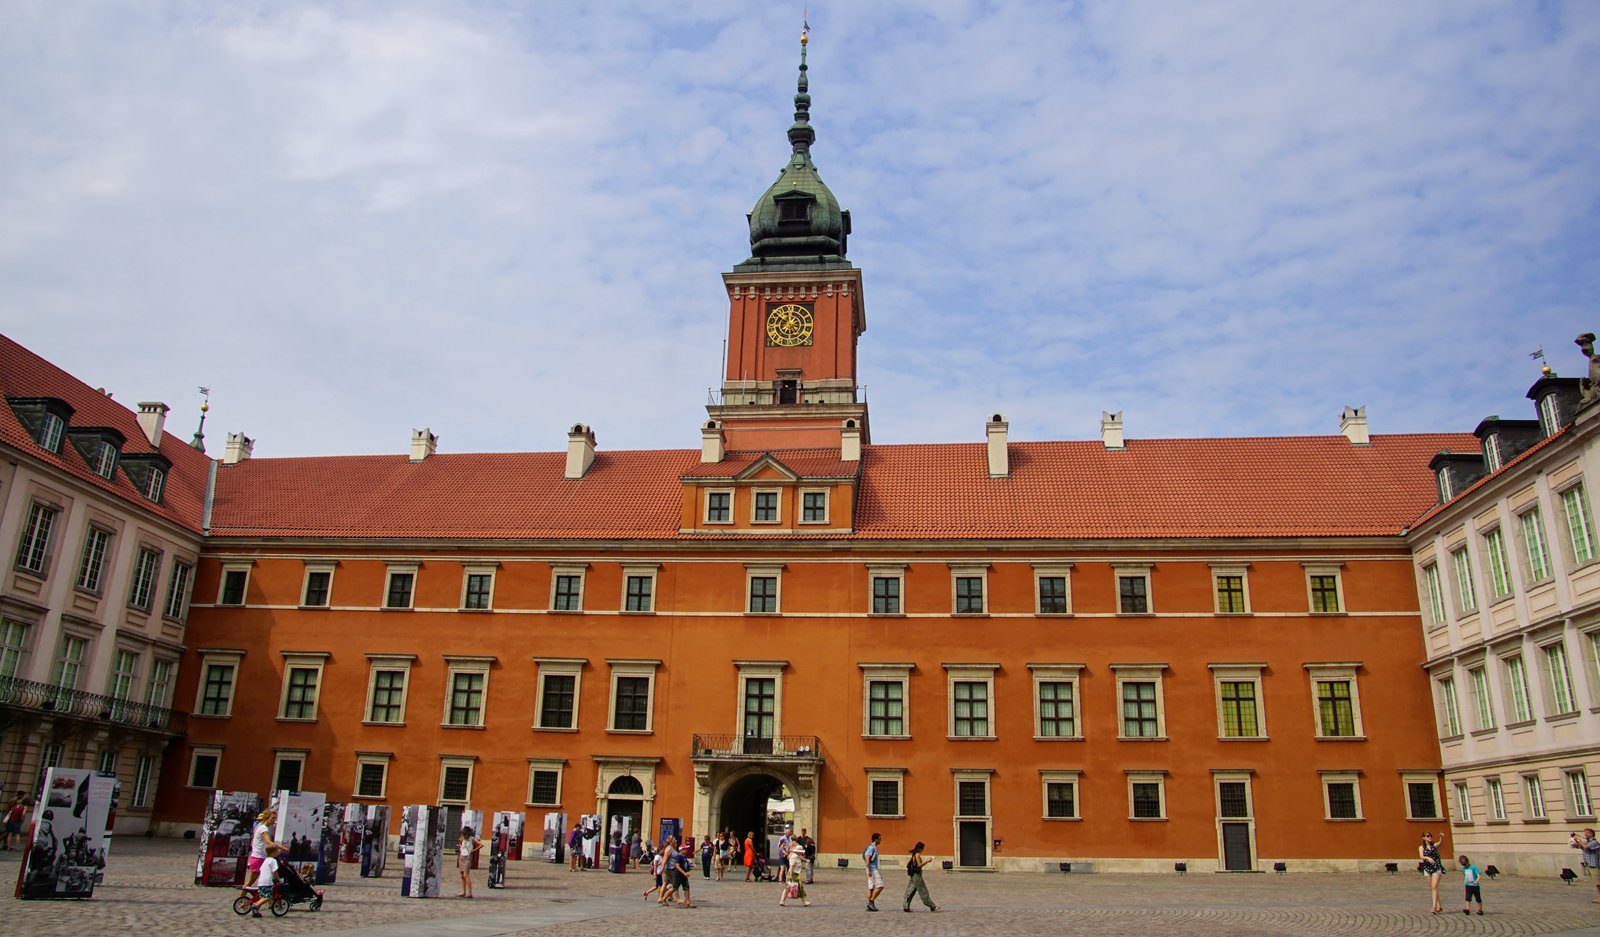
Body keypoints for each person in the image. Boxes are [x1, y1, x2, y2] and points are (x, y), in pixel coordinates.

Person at [243, 808, 280, 895]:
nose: (274, 821)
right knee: (250, 882)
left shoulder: (260, 826)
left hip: (260, 857)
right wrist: (279, 847)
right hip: (259, 858)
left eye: (275, 818)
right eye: (273, 818)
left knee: (269, 880)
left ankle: (270, 902)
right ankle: (240, 899)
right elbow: (268, 842)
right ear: (267, 817)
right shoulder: (263, 828)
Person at [903, 841, 939, 913]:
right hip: (917, 875)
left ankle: (906, 907)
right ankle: (932, 906)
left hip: (913, 875)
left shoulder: (914, 854)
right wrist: (927, 861)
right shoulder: (917, 855)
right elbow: (919, 865)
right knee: (923, 891)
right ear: (920, 848)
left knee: (910, 890)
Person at [249, 844, 281, 918]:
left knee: (262, 897)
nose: (278, 853)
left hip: (261, 881)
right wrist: (278, 879)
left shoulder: (266, 860)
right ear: (273, 852)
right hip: (267, 881)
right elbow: (275, 871)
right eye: (277, 851)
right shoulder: (273, 860)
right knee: (268, 897)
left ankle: (256, 911)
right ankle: (255, 907)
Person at [778, 836, 811, 907]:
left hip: (796, 875)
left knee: (797, 888)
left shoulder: (797, 856)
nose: (801, 853)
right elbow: (791, 867)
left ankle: (782, 901)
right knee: (790, 888)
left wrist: (806, 860)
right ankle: (804, 902)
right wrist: (790, 876)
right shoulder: (793, 857)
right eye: (800, 852)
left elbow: (801, 858)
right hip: (793, 875)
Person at [1418, 831, 1445, 913]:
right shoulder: (1421, 847)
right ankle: (1439, 906)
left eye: (1430, 836)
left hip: (1436, 868)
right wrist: (1428, 858)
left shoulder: (1434, 846)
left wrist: (1441, 837)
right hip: (1427, 868)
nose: (1429, 837)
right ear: (1424, 838)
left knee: (1434, 887)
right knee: (1433, 887)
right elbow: (1421, 856)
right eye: (1427, 836)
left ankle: (1434, 907)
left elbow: (1440, 843)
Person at [1572, 828, 1600, 902]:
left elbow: (1586, 847)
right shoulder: (1587, 842)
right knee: (1596, 882)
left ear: (1591, 834)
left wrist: (1578, 840)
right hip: (1589, 864)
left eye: (1586, 833)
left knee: (1598, 882)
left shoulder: (1594, 842)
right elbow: (1583, 847)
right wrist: (1576, 842)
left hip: (1594, 865)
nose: (1585, 834)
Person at [457, 825, 483, 898]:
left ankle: (470, 893)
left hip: (467, 857)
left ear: (468, 834)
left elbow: (481, 845)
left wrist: (473, 850)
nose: (463, 835)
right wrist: (460, 847)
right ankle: (463, 892)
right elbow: (461, 845)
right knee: (462, 875)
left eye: (464, 834)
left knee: (466, 875)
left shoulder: (472, 839)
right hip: (462, 856)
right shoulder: (462, 839)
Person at [863, 831, 884, 911]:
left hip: (871, 869)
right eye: (879, 839)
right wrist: (869, 870)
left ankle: (869, 905)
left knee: (871, 888)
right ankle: (871, 902)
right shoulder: (871, 848)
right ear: (875, 839)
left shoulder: (873, 848)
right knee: (880, 886)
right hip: (872, 869)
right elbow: (867, 859)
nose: (880, 840)